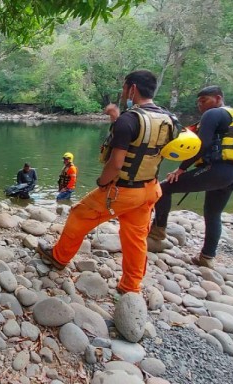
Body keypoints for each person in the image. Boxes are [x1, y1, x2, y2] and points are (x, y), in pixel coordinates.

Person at [38, 70, 177, 294]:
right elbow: (141, 144)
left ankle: (58, 257)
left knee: (78, 215)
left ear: (132, 88)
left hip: (122, 191)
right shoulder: (167, 119)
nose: (123, 92)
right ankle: (130, 285)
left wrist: (102, 182)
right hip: (150, 189)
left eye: (124, 88)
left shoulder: (130, 119)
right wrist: (116, 117)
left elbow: (117, 163)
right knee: (135, 238)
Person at [149, 86, 233, 268]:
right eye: (198, 102)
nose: (200, 105)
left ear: (218, 98)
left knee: (164, 188)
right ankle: (207, 257)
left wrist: (181, 169)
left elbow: (201, 145)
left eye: (204, 101)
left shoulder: (213, 114)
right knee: (213, 213)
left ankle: (156, 236)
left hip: (217, 170)